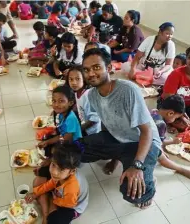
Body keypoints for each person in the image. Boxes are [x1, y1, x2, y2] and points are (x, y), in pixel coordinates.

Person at [81, 48, 161, 209]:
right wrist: (104, 144)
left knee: (134, 195)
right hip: (117, 139)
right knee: (76, 149)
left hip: (143, 143)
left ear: (109, 68)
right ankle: (118, 157)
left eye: (96, 67)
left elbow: (146, 131)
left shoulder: (127, 90)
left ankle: (149, 180)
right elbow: (105, 120)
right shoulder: (92, 95)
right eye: (86, 70)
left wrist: (137, 165)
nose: (90, 73)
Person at [26, 142, 89, 224]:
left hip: (71, 207)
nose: (54, 172)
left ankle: (47, 213)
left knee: (54, 221)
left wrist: (53, 200)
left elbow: (68, 205)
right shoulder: (60, 176)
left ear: (72, 171)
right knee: (37, 182)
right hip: (61, 195)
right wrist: (35, 193)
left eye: (61, 169)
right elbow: (51, 183)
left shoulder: (72, 188)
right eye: (53, 164)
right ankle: (46, 214)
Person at [150, 95, 190, 178]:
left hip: (140, 138)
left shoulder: (154, 111)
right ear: (170, 113)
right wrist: (173, 141)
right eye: (176, 118)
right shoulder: (160, 124)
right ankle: (181, 170)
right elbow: (160, 142)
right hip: (141, 146)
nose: (175, 120)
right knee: (162, 158)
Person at [67, 66, 101, 135]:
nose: (74, 83)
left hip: (92, 132)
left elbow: (95, 119)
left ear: (84, 79)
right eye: (71, 79)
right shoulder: (77, 92)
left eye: (78, 79)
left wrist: (78, 129)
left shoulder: (88, 95)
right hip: (83, 123)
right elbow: (79, 106)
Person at [160, 47, 190, 116]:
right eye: (189, 58)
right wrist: (181, 115)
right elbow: (168, 98)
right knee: (171, 117)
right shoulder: (176, 74)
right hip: (170, 104)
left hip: (187, 107)